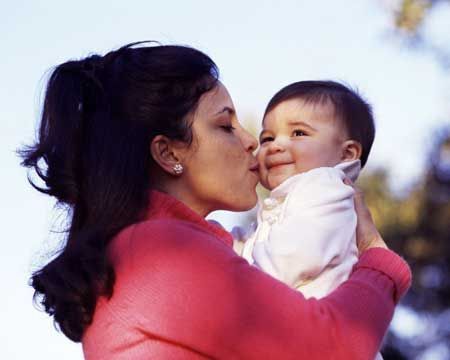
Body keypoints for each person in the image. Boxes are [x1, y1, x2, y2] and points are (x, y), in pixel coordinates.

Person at [21, 42, 411, 359]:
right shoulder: (159, 251)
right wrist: (379, 261)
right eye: (225, 125)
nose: (252, 141)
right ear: (169, 153)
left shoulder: (158, 250)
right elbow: (337, 349)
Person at [236, 81, 383, 359]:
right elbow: (244, 246)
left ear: (347, 154)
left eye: (298, 133)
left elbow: (293, 257)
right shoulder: (284, 203)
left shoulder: (326, 188)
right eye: (267, 138)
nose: (275, 146)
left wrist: (231, 278)